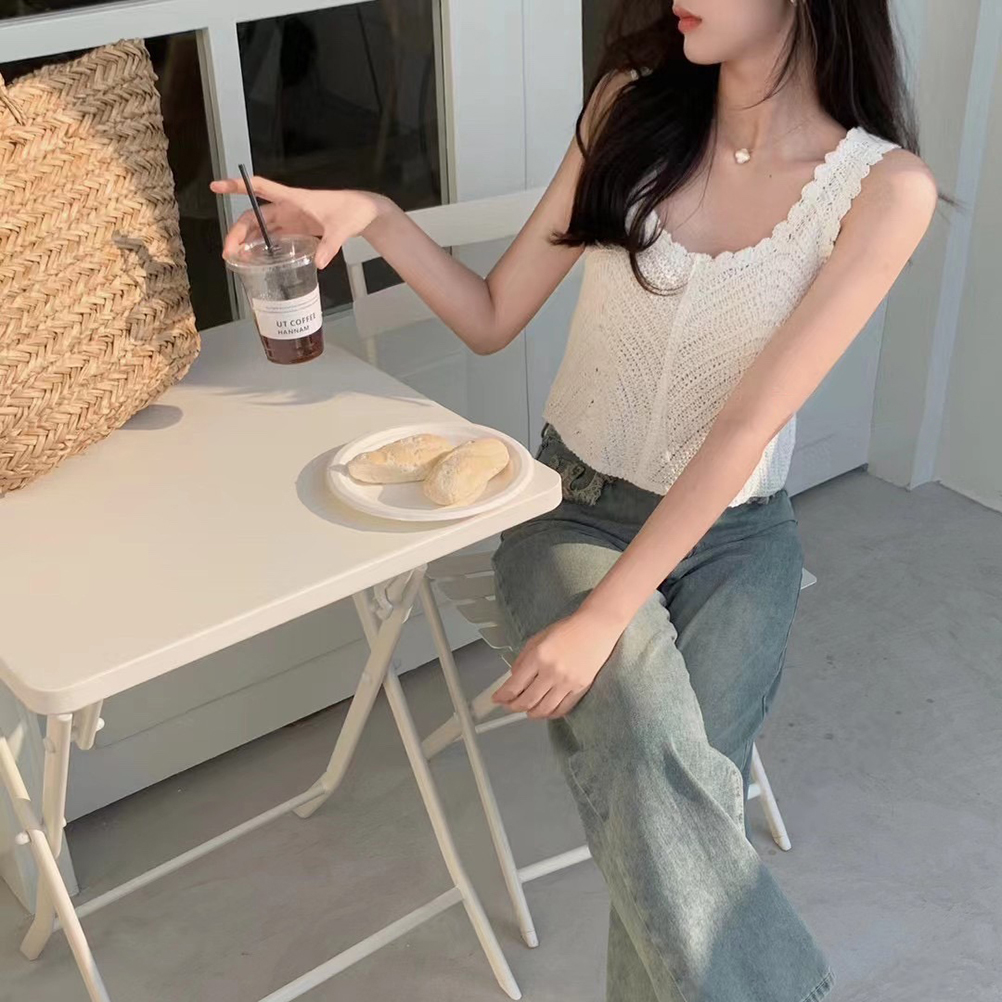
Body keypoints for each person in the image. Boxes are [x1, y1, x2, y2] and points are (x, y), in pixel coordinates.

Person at [213, 2, 938, 998]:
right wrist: (376, 215)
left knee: (665, 805)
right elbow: (492, 314)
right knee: (660, 765)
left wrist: (603, 620)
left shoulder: (883, 192)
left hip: (738, 538)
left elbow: (742, 429)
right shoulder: (630, 108)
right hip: (575, 510)